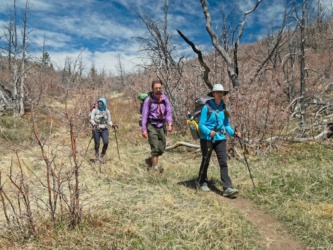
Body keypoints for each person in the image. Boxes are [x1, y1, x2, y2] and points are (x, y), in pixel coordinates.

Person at [198, 83, 241, 197]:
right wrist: (208, 132)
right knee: (206, 160)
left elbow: (226, 125)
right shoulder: (206, 107)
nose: (219, 94)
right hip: (207, 138)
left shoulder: (224, 107)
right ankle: (202, 181)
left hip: (220, 138)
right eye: (217, 92)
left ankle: (227, 188)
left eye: (221, 92)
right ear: (213, 94)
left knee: (223, 162)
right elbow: (201, 125)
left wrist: (234, 133)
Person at [141, 79, 173, 173]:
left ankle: (150, 160)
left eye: (159, 88)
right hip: (152, 125)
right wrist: (144, 129)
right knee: (155, 148)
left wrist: (170, 124)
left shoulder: (164, 99)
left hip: (162, 125)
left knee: (162, 148)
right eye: (156, 88)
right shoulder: (148, 100)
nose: (158, 90)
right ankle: (155, 170)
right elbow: (144, 115)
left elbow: (168, 112)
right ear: (152, 89)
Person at [90, 97, 117, 163]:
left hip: (104, 129)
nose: (100, 104)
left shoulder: (107, 111)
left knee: (106, 142)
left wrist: (112, 125)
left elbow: (109, 121)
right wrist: (94, 124)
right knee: (97, 144)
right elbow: (91, 119)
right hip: (96, 129)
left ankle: (102, 155)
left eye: (101, 103)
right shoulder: (94, 110)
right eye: (99, 102)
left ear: (104, 103)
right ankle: (97, 157)